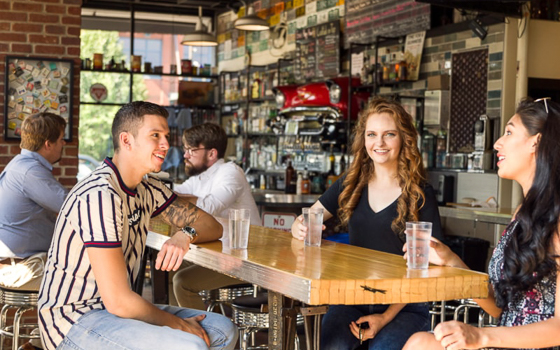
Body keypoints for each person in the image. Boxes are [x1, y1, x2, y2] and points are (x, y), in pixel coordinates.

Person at [38, 102, 237, 350]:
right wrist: (179, 325)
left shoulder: (149, 189)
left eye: (166, 136)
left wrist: (184, 235)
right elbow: (119, 301)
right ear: (127, 140)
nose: (166, 144)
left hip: (116, 315)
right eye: (155, 136)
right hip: (74, 320)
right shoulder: (100, 195)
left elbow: (212, 226)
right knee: (189, 344)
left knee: (222, 330)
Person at [403, 97, 560, 350]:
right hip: (503, 345)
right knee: (420, 343)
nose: (498, 143)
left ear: (536, 142)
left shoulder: (557, 219)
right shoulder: (523, 214)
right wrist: (453, 261)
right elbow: (499, 306)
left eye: (509, 132)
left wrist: (481, 336)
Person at [291, 97, 443, 350]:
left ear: (404, 139)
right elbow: (309, 216)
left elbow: (428, 268)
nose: (379, 143)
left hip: (405, 304)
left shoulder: (420, 194)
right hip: (353, 297)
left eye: (389, 134)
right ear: (364, 140)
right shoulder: (350, 185)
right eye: (372, 134)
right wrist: (299, 226)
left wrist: (384, 317)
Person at [173, 122, 261, 309]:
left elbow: (207, 207)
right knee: (166, 263)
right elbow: (175, 193)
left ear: (211, 154)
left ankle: (203, 335)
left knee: (182, 281)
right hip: (218, 255)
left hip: (245, 258)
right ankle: (176, 328)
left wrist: (169, 196)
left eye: (191, 150)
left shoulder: (231, 172)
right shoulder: (200, 177)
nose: (185, 155)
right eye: (185, 149)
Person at [0, 112, 68, 291]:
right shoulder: (30, 171)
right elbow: (72, 206)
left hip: (21, 264)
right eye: (61, 139)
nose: (64, 143)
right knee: (93, 280)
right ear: (48, 144)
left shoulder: (20, 164)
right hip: (21, 269)